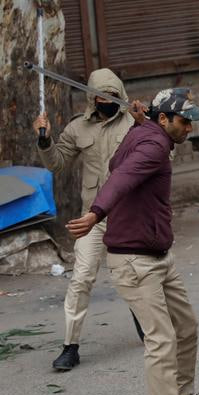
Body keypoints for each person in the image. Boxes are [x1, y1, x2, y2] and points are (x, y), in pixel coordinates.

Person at [65, 89, 199, 395]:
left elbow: (119, 161)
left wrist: (141, 123)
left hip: (158, 255)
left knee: (186, 327)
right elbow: (122, 176)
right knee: (161, 341)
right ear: (163, 119)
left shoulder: (145, 133)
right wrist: (96, 213)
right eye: (184, 121)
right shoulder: (153, 145)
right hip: (135, 261)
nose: (189, 129)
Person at [34, 68, 146, 370]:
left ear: (120, 94)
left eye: (111, 95)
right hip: (93, 217)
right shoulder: (77, 128)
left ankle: (146, 322)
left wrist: (145, 125)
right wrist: (45, 140)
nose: (105, 101)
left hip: (128, 214)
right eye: (99, 96)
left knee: (133, 275)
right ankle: (70, 346)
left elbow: (162, 156)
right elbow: (57, 164)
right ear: (91, 98)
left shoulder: (135, 122)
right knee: (81, 278)